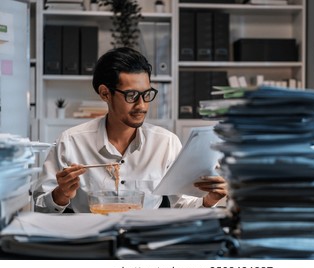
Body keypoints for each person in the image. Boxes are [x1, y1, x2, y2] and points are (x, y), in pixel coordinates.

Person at [33, 47, 227, 213]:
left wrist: (209, 199)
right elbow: (40, 207)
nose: (142, 106)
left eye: (146, 94)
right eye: (132, 95)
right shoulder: (70, 142)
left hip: (144, 246)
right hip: (91, 246)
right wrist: (61, 195)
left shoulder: (166, 143)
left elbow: (183, 206)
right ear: (105, 93)